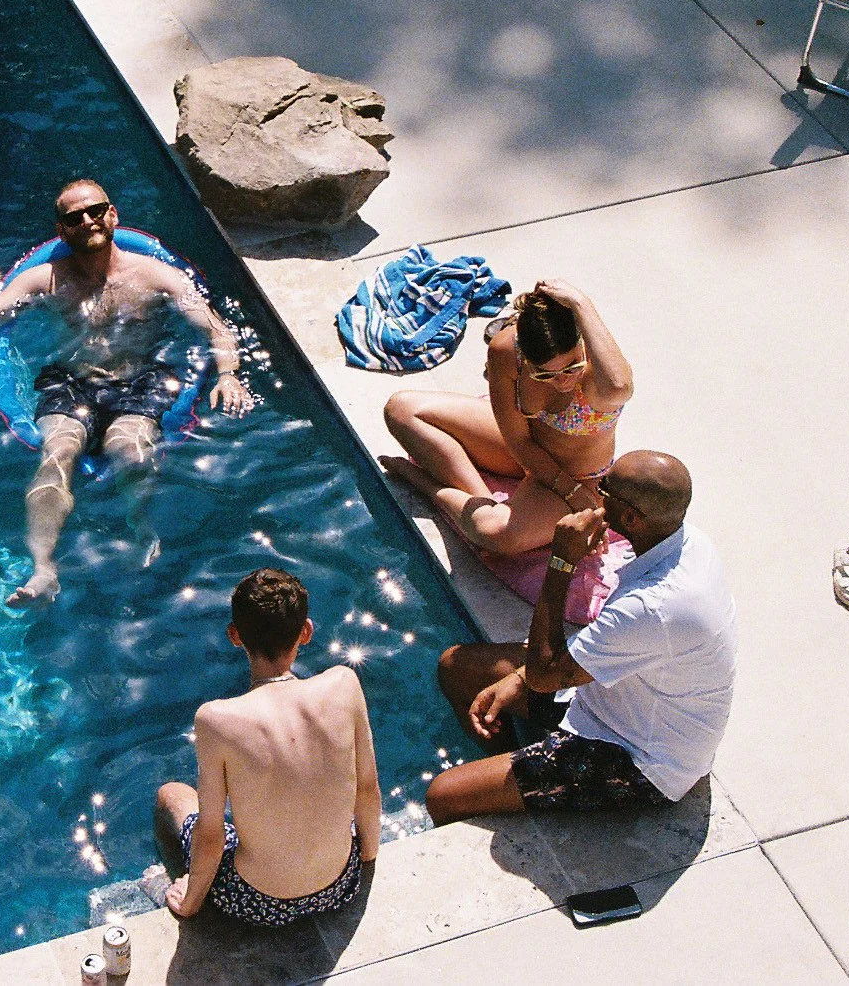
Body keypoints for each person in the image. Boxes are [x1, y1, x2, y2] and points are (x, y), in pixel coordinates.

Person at [0, 180, 253, 606]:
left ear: (112, 214)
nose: (87, 220)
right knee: (57, 450)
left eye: (95, 210)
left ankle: (140, 526)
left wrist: (228, 375)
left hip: (140, 382)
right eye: (73, 217)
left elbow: (214, 327)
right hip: (71, 381)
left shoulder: (156, 275)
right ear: (61, 230)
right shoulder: (44, 279)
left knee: (128, 447)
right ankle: (44, 569)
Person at [425, 451, 736, 823]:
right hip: (610, 699)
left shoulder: (653, 606)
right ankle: (508, 775)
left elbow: (544, 674)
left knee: (443, 796)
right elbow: (567, 662)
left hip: (637, 756)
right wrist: (522, 676)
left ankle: (510, 790)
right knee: (456, 667)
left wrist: (562, 562)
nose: (594, 492)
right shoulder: (687, 541)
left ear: (632, 518)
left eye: (604, 488)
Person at [153, 568, 380, 926]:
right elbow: (367, 788)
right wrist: (365, 862)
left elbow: (211, 835)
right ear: (306, 632)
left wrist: (190, 904)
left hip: (256, 900)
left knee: (172, 795)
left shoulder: (216, 719)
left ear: (235, 636)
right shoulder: (344, 683)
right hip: (340, 884)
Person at [381, 280, 632, 556]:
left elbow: (621, 385)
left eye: (572, 368)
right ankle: (483, 502)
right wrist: (566, 492)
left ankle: (427, 486)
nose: (561, 382)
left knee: (497, 535)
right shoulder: (507, 350)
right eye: (544, 374)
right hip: (524, 454)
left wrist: (581, 303)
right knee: (402, 410)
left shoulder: (602, 379)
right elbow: (518, 440)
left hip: (580, 476)